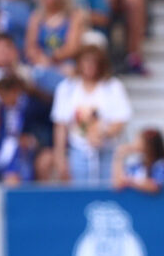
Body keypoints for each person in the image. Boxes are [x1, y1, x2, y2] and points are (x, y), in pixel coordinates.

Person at [50, 44, 131, 183]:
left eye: (94, 62)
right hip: (78, 149)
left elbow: (120, 120)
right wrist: (60, 157)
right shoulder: (67, 88)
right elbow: (61, 125)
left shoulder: (112, 87)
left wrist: (102, 134)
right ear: (79, 63)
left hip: (107, 149)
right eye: (86, 61)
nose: (89, 66)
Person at [113, 127, 164, 193]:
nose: (135, 143)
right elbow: (118, 183)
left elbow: (154, 186)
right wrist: (119, 157)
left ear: (149, 144)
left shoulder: (161, 165)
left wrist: (130, 181)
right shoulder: (137, 165)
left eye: (139, 140)